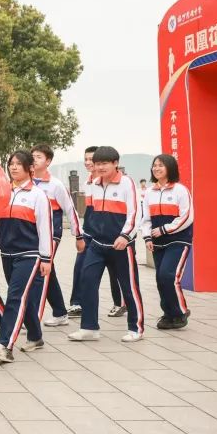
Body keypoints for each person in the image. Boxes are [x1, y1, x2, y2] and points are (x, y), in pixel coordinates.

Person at [69, 146, 144, 343]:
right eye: (97, 164)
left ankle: (136, 328)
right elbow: (91, 214)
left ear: (115, 164)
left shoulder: (128, 184)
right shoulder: (93, 183)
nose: (100, 167)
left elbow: (135, 214)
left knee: (129, 287)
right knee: (87, 280)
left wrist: (125, 236)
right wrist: (86, 236)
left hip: (121, 245)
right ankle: (89, 328)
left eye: (104, 163)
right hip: (96, 245)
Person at [0, 150, 53, 363]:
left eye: (18, 164)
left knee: (15, 298)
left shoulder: (38, 195)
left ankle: (4, 344)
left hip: (30, 255)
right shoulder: (3, 192)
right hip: (7, 253)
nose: (14, 167)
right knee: (24, 298)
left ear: (30, 168)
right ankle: (35, 336)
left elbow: (46, 229)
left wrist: (46, 258)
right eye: (11, 163)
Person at [31, 144, 85, 327]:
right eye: (33, 156)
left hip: (52, 233)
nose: (34, 159)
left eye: (38, 157)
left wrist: (78, 236)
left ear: (48, 161)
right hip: (32, 234)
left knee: (41, 270)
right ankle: (60, 312)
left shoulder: (56, 185)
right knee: (48, 271)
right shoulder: (27, 182)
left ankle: (32, 320)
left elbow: (71, 210)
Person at [68, 146, 124, 317]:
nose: (88, 163)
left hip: (111, 235)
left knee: (115, 271)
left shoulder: (114, 183)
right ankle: (77, 303)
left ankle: (120, 303)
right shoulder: (88, 183)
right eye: (86, 159)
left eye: (91, 160)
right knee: (81, 268)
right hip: (89, 233)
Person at [140, 154, 193, 330]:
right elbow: (146, 219)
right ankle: (169, 314)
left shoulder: (180, 190)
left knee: (169, 276)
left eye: (161, 165)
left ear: (170, 167)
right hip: (157, 243)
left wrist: (164, 229)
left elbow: (187, 217)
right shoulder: (149, 192)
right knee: (160, 279)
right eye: (154, 165)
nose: (156, 168)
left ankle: (180, 312)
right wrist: (147, 237)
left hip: (178, 240)